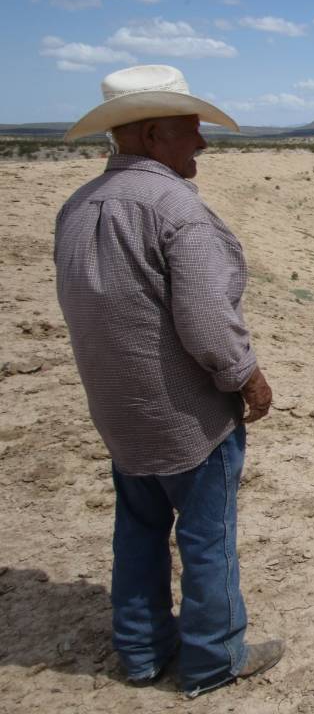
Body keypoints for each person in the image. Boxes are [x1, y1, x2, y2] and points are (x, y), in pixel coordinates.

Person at [55, 64, 284, 698]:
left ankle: (141, 651)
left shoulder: (78, 205)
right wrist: (248, 378)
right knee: (208, 539)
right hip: (186, 415)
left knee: (138, 531)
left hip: (117, 407)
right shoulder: (175, 207)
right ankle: (214, 660)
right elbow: (207, 322)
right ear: (155, 134)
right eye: (191, 129)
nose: (202, 142)